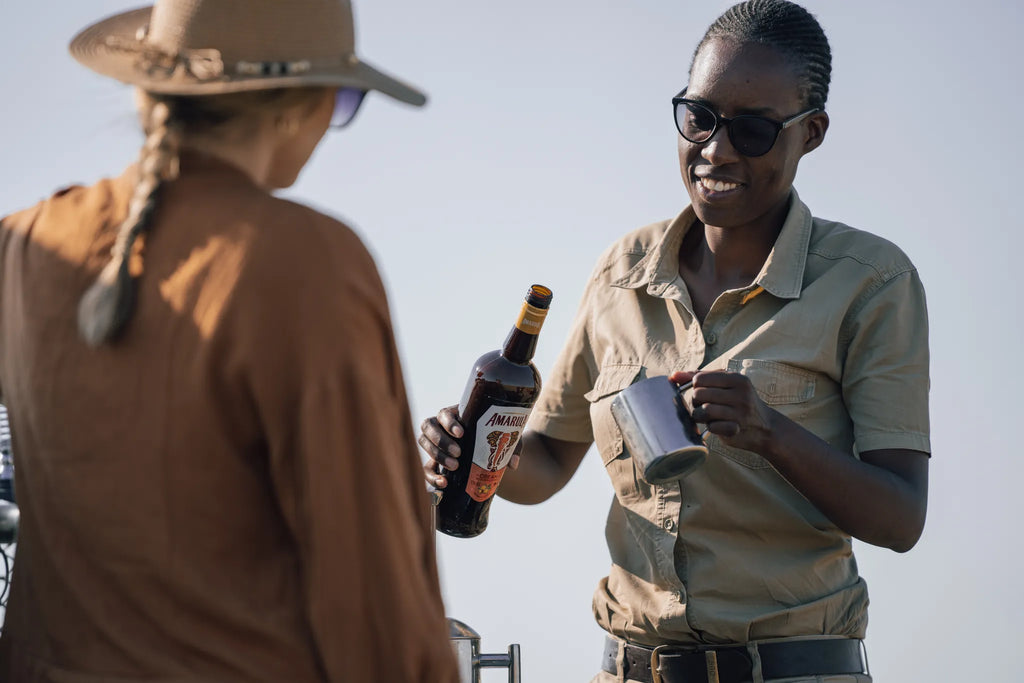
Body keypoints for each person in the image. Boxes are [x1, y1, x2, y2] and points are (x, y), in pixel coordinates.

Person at [420, 1, 930, 681]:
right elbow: (547, 460)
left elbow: (901, 517)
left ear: (811, 133)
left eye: (753, 130)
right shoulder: (620, 272)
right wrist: (481, 450)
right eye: (699, 117)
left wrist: (770, 431)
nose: (716, 149)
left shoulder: (869, 281)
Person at [0, 0, 459, 681]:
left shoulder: (22, 245)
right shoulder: (307, 263)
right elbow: (373, 598)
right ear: (300, 106)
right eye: (343, 101)